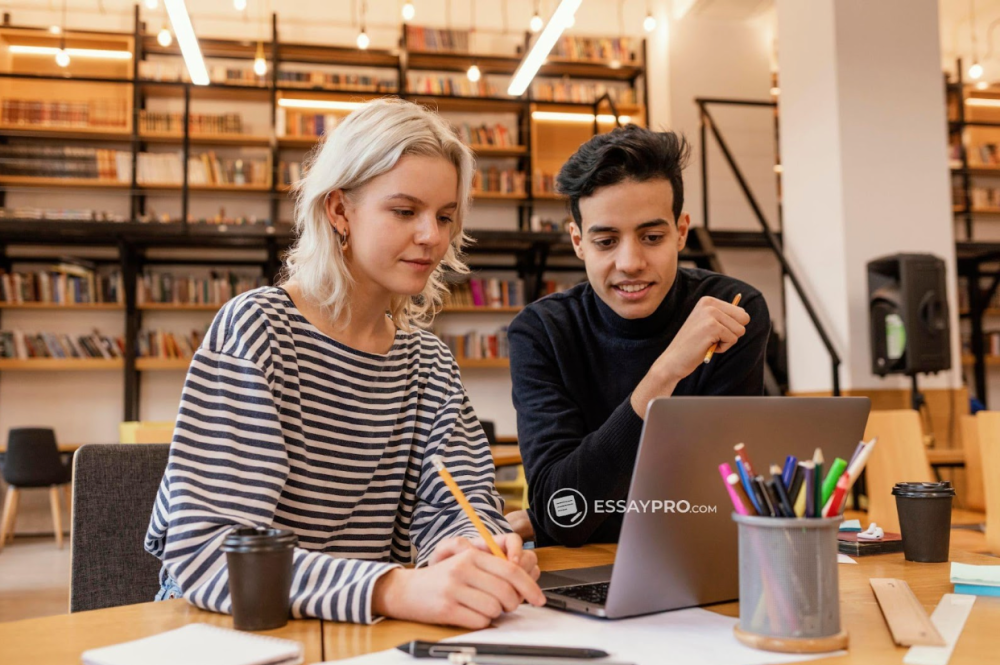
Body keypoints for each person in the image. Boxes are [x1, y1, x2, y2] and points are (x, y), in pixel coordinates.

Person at [145, 98, 545, 628]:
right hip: (227, 630)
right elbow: (209, 553)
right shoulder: (257, 330)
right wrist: (391, 587)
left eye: (445, 216)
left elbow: (461, 505)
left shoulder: (427, 361)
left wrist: (474, 553)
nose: (432, 235)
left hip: (360, 633)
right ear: (339, 211)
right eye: (405, 211)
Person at [507, 124, 770, 547]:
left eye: (652, 237)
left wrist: (573, 512)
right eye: (606, 241)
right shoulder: (541, 333)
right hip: (577, 573)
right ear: (578, 243)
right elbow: (563, 514)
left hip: (693, 559)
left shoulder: (732, 309)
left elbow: (715, 504)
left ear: (681, 232)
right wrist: (665, 372)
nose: (630, 262)